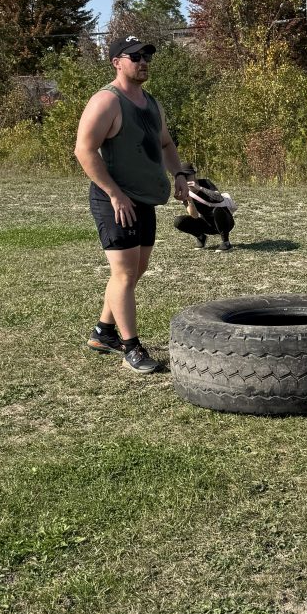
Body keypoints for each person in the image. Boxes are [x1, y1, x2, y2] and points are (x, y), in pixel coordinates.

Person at [74, 35, 189, 373]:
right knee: (124, 273)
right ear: (117, 62)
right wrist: (114, 193)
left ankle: (103, 332)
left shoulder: (152, 103)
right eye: (135, 56)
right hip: (115, 199)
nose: (143, 62)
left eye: (147, 56)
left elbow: (166, 144)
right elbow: (84, 150)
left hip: (143, 199)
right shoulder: (106, 102)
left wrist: (179, 174)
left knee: (136, 270)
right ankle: (131, 347)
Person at [173, 168, 237, 250]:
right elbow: (195, 216)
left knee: (217, 210)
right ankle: (201, 237)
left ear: (194, 175)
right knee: (178, 221)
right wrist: (189, 199)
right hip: (207, 224)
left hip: (225, 221)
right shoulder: (185, 191)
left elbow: (219, 198)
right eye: (183, 176)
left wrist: (199, 188)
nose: (186, 178)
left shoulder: (205, 183)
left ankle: (226, 242)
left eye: (188, 175)